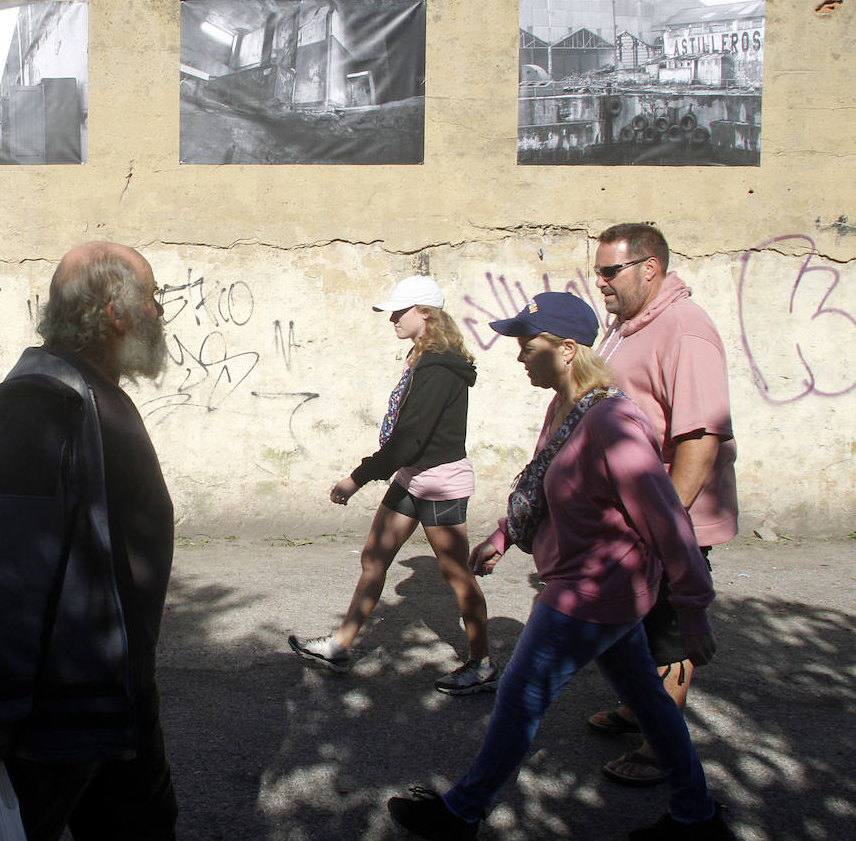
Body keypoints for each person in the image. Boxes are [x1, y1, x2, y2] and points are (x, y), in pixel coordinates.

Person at [388, 292, 734, 841]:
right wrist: (506, 533)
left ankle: (461, 812)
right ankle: (698, 816)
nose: (520, 356)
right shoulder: (567, 409)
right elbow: (544, 480)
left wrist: (693, 612)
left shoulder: (614, 423)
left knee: (520, 696)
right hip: (598, 589)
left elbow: (668, 521)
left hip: (593, 592)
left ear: (568, 349)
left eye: (529, 346)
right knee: (648, 699)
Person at [0, 241, 178, 841]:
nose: (161, 310)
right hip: (55, 708)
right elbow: (9, 564)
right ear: (116, 312)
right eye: (152, 297)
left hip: (113, 689)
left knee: (142, 827)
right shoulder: (43, 406)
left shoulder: (88, 391)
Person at [289, 275, 494, 694]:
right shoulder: (423, 358)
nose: (393, 319)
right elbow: (407, 441)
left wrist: (356, 478)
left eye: (399, 312)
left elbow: (410, 439)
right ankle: (339, 646)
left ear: (425, 313)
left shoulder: (438, 366)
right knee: (374, 556)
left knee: (456, 573)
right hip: (412, 475)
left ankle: (482, 665)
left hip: (439, 482)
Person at [589, 223, 739, 787]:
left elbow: (699, 438)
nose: (600, 281)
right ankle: (639, 708)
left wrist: (666, 522)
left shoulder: (686, 329)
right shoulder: (627, 327)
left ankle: (661, 743)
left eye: (610, 271)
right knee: (640, 614)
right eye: (598, 270)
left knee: (669, 626)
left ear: (649, 267)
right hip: (633, 511)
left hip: (673, 513)